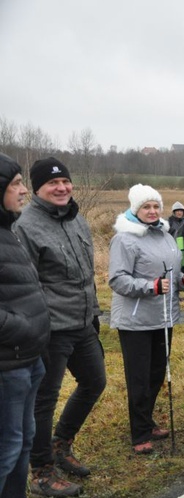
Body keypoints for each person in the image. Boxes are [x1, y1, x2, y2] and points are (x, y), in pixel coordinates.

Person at [14, 157, 106, 497]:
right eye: (53, 183)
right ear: (37, 189)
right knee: (44, 399)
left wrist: (94, 311)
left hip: (83, 323)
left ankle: (60, 443)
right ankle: (40, 472)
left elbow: (86, 275)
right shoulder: (25, 225)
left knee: (95, 381)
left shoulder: (77, 219)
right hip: (50, 330)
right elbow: (26, 284)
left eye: (65, 182)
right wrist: (38, 327)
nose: (62, 187)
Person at [108, 184, 184, 454]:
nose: (152, 211)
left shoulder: (166, 234)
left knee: (157, 374)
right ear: (135, 210)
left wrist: (182, 280)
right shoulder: (124, 239)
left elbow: (171, 272)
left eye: (156, 206)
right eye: (146, 207)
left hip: (164, 316)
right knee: (139, 378)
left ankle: (147, 420)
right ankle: (139, 433)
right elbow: (117, 280)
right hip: (135, 321)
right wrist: (151, 287)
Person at [0, 154, 50, 498]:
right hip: (7, 365)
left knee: (22, 443)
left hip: (29, 360)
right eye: (16, 183)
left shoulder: (9, 231)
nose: (23, 191)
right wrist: (22, 328)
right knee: (7, 449)